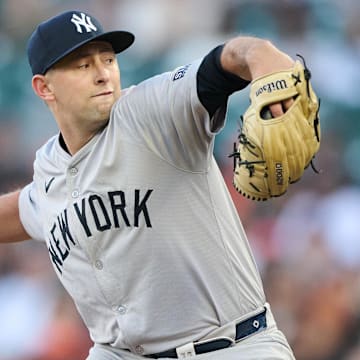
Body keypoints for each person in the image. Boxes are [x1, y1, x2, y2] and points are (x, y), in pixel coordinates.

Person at [0, 10, 297, 360]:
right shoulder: (50, 169)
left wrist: (259, 55)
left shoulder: (150, 112)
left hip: (232, 347)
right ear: (44, 87)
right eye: (83, 65)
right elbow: (24, 210)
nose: (102, 74)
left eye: (108, 59)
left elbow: (226, 62)